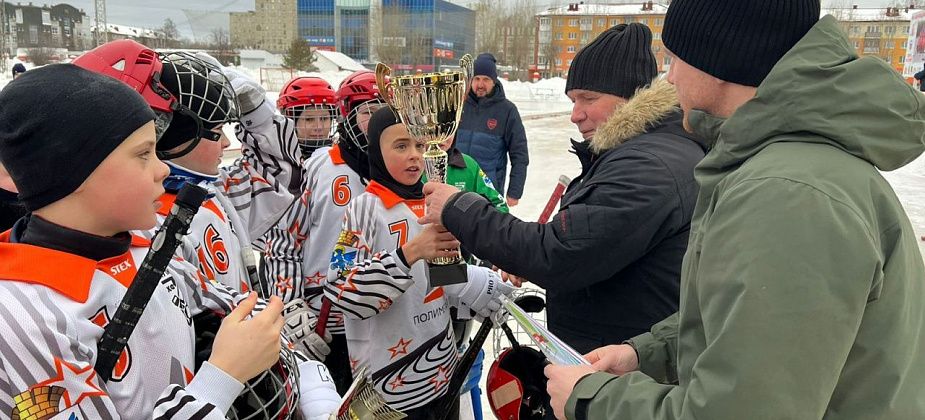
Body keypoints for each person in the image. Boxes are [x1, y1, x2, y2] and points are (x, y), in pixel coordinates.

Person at [544, 1, 925, 419]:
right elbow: (752, 327)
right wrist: (645, 354)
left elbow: (745, 409)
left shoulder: (786, 194)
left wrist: (592, 400)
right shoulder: (783, 167)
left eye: (674, 59)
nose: (669, 77)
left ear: (718, 57)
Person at [0, 64, 340, 419]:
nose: (162, 168)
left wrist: (314, 389)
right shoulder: (23, 315)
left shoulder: (144, 250)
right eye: (144, 154)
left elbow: (247, 315)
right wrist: (222, 377)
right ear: (75, 168)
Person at [421, 23, 705, 354]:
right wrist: (522, 255)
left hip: (618, 365)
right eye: (572, 100)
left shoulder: (649, 165)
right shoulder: (642, 151)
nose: (575, 114)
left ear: (632, 96)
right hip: (614, 350)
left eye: (588, 98)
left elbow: (560, 254)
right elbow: (585, 243)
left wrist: (458, 208)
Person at [74, 41, 330, 362]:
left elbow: (281, 173)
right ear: (170, 135)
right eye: (215, 129)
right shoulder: (141, 224)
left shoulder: (214, 191)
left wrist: (257, 112)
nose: (226, 141)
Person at [322, 107, 514, 419]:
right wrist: (409, 254)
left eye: (420, 146)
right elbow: (342, 291)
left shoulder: (433, 202)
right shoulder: (363, 209)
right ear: (377, 151)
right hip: (388, 389)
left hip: (442, 373)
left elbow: (446, 279)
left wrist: (485, 289)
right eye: (401, 146)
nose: (414, 156)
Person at [260, 70, 386, 394]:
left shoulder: (401, 169)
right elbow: (283, 243)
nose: (376, 122)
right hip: (324, 328)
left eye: (382, 110)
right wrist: (289, 306)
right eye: (367, 112)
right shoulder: (316, 168)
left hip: (383, 326)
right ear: (347, 115)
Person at [454, 53, 528, 207]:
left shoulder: (507, 110)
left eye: (486, 79)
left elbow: (519, 154)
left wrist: (514, 191)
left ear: (494, 81)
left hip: (488, 191)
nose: (480, 84)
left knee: (485, 230)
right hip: (457, 185)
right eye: (477, 79)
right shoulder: (459, 105)